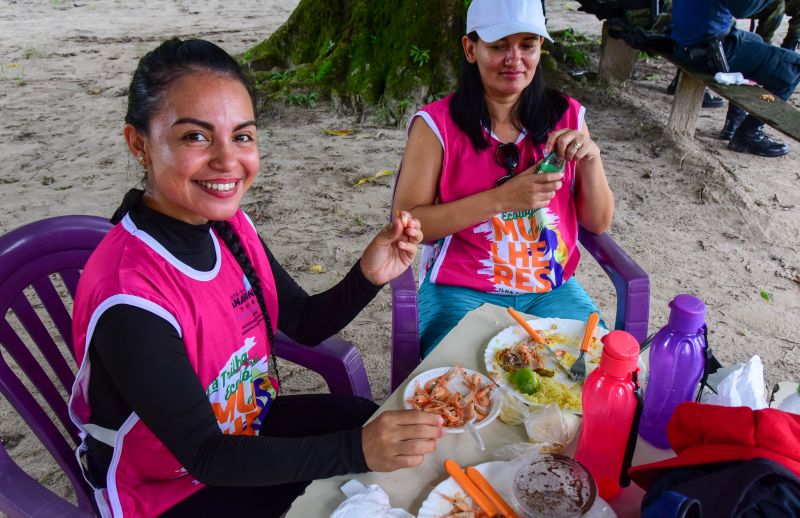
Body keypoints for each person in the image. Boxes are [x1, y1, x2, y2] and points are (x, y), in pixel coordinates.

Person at [68, 38, 443, 518]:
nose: (228, 161)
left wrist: (368, 276)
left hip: (242, 427)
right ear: (139, 143)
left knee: (363, 419)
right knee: (357, 464)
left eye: (242, 136)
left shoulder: (226, 226)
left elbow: (303, 322)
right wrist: (356, 449)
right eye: (195, 137)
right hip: (170, 486)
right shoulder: (131, 294)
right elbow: (205, 455)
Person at [392, 0, 614, 357]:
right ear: (470, 48)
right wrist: (503, 198)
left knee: (594, 380)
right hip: (460, 288)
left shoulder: (568, 116)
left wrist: (591, 159)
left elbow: (598, 223)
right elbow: (408, 224)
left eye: (527, 45)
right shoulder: (436, 126)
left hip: (551, 289)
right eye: (498, 46)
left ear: (540, 48)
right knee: (465, 392)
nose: (515, 59)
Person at [671, 0, 800, 156]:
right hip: (710, 49)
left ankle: (734, 120)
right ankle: (749, 134)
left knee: (756, 40)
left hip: (684, 40)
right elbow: (742, 9)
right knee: (794, 67)